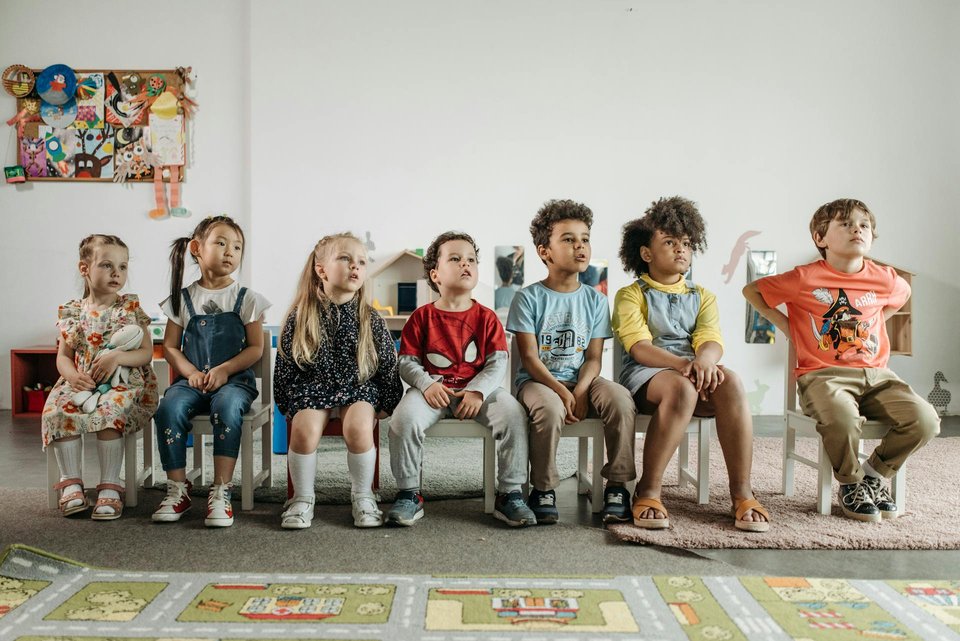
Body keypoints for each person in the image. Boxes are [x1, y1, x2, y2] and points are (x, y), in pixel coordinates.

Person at [744, 198, 939, 522]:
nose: (856, 230)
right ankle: (850, 483)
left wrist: (878, 318)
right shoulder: (804, 278)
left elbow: (902, 294)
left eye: (863, 225)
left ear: (872, 235)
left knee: (926, 420)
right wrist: (787, 325)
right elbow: (753, 290)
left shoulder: (885, 278)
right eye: (845, 224)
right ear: (821, 238)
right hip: (824, 375)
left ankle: (874, 475)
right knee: (842, 420)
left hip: (878, 376)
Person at [613, 197, 769, 532]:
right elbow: (640, 347)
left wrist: (705, 361)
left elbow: (710, 340)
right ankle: (649, 490)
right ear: (646, 254)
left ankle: (742, 492)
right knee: (682, 388)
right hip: (648, 377)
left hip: (693, 371)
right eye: (669, 242)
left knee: (733, 382)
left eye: (685, 243)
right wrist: (684, 365)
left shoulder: (703, 296)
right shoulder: (632, 295)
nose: (680, 249)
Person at [387, 232, 536, 527]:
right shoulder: (421, 317)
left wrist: (478, 391)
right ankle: (409, 493)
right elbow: (406, 362)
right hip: (433, 392)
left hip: (478, 392)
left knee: (514, 415)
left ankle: (510, 494)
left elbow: (497, 363)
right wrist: (426, 384)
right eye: (454, 259)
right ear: (435, 274)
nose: (465, 264)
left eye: (470, 259)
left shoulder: (487, 317)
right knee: (403, 419)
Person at [507, 199, 637, 525]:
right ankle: (544, 488)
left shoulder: (595, 300)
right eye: (568, 239)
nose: (580, 246)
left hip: (582, 379)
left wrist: (580, 388)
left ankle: (618, 486)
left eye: (585, 239)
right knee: (549, 408)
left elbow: (593, 358)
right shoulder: (528, 298)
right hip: (538, 382)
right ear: (544, 251)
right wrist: (560, 391)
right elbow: (531, 359)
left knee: (621, 399)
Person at [274, 232, 402, 529]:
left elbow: (387, 363)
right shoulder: (300, 315)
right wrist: (286, 402)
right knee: (303, 431)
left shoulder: (371, 317)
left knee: (358, 428)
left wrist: (387, 402)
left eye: (361, 262)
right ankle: (302, 499)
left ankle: (363, 495)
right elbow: (285, 363)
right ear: (321, 270)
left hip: (359, 387)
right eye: (345, 259)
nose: (355, 266)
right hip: (313, 387)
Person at [152, 216, 270, 528]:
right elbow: (170, 347)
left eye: (237, 246)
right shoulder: (182, 300)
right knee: (168, 408)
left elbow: (256, 348)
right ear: (196, 249)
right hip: (191, 383)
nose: (230, 251)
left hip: (234, 383)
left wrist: (225, 370)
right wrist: (189, 372)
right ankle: (178, 487)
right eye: (220, 242)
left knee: (227, 407)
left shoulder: (247, 299)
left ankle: (221, 489)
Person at [42, 234, 158, 520]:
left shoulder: (129, 309)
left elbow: (146, 352)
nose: (117, 273)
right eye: (107, 265)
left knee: (110, 411)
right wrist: (72, 376)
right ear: (85, 269)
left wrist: (117, 356)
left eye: (123, 266)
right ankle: (71, 483)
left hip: (123, 383)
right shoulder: (73, 312)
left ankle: (110, 484)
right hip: (81, 380)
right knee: (59, 410)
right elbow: (64, 356)